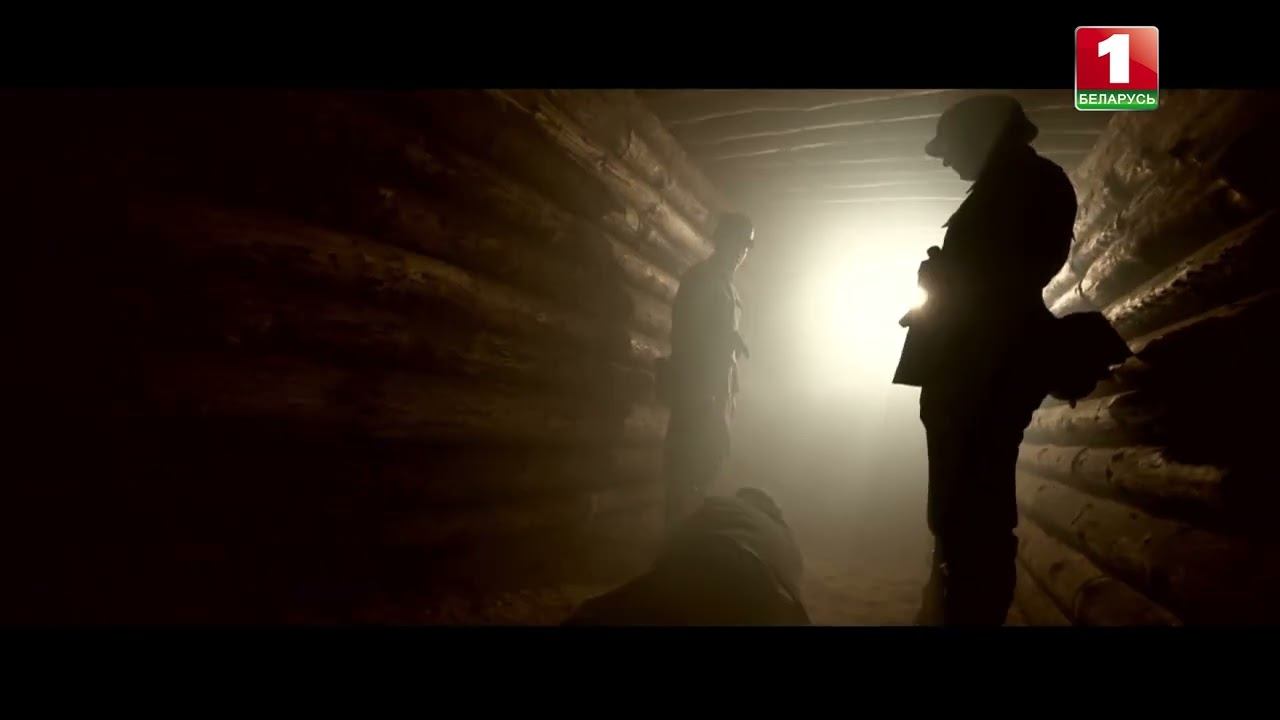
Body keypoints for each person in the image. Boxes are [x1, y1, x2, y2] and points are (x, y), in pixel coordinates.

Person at [893, 95, 1082, 625]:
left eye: (951, 148)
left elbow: (1007, 280)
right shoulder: (1016, 184)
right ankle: (951, 607)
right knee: (961, 516)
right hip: (971, 369)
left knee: (973, 517)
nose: (947, 161)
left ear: (981, 136)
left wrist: (943, 281)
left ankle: (967, 615)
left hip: (982, 372)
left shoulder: (1025, 185)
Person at [563, 487, 810, 625]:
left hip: (713, 560)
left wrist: (660, 575)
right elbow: (794, 600)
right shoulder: (789, 543)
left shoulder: (722, 504)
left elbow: (681, 537)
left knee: (601, 614)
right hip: (767, 598)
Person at [656, 213, 754, 529]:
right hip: (696, 394)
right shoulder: (700, 280)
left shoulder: (731, 290)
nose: (741, 251)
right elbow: (685, 336)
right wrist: (722, 339)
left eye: (747, 244)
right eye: (737, 241)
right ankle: (676, 541)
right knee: (685, 472)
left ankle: (689, 539)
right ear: (720, 240)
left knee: (708, 470)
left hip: (718, 396)